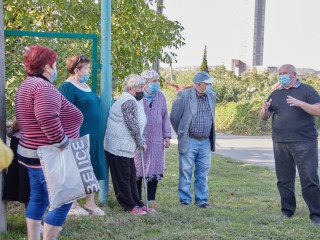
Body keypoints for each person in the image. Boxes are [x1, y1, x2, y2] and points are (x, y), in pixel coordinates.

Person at [15, 45, 83, 240]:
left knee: (38, 198)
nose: (55, 69)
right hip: (49, 156)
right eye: (53, 65)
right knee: (63, 200)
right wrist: (62, 142)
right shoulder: (43, 87)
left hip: (31, 154)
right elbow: (46, 117)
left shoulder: (26, 84)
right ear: (46, 66)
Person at [260, 64, 320, 226]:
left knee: (309, 178)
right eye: (280, 74)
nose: (282, 76)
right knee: (284, 179)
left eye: (285, 73)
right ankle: (287, 211)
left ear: (294, 74)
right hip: (280, 142)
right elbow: (264, 117)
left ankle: (316, 214)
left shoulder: (307, 90)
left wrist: (300, 103)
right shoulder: (276, 93)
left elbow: (318, 110)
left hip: (305, 142)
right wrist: (264, 110)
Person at [58, 55, 106, 216]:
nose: (88, 72)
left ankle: (90, 202)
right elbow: (64, 112)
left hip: (94, 134)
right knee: (77, 168)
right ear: (76, 70)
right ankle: (73, 204)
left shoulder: (85, 85)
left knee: (92, 165)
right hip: (78, 134)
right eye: (86, 69)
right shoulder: (67, 87)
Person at [104, 74, 155, 215]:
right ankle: (129, 205)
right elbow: (132, 125)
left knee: (132, 175)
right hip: (117, 145)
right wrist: (140, 142)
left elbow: (139, 124)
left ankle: (138, 203)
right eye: (140, 87)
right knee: (123, 176)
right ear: (131, 89)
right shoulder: (127, 100)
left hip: (127, 146)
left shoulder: (136, 100)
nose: (142, 90)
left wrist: (141, 139)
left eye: (143, 87)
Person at [170, 71, 216, 208]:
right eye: (207, 84)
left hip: (205, 141)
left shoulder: (212, 96)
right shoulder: (184, 95)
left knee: (203, 172)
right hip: (190, 140)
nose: (210, 86)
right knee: (185, 171)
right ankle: (185, 200)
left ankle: (201, 201)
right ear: (198, 84)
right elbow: (174, 117)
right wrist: (182, 132)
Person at [134, 70, 171, 207]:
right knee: (138, 168)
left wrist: (166, 135)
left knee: (155, 167)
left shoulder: (161, 96)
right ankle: (138, 200)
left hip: (156, 138)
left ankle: (151, 199)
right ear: (146, 83)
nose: (157, 83)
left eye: (158, 80)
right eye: (154, 81)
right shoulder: (137, 96)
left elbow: (165, 116)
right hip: (140, 138)